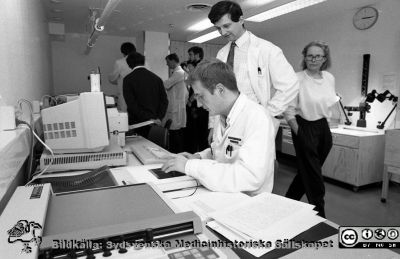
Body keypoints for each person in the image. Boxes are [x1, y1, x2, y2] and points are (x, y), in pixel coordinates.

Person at [162, 59, 275, 195]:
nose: (198, 103)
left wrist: (190, 166)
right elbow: (221, 152)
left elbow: (249, 177)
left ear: (220, 90)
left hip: (248, 201)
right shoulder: (221, 114)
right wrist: (199, 157)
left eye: (201, 96)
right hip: (223, 193)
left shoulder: (256, 116)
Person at [207, 1, 299, 142]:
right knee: (225, 162)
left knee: (253, 162)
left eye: (226, 26)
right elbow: (216, 91)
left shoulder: (266, 49)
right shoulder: (221, 54)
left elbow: (290, 85)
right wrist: (213, 125)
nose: (223, 32)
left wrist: (267, 114)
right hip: (225, 124)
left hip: (253, 124)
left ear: (241, 20)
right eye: (218, 28)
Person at [284, 41, 339, 217]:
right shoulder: (297, 78)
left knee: (307, 172)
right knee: (314, 177)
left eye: (318, 56)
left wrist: (330, 124)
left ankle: (286, 203)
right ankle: (320, 217)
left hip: (323, 128)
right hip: (303, 126)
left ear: (324, 59)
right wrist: (299, 133)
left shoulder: (329, 78)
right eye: (310, 55)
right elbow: (288, 109)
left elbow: (330, 103)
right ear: (305, 57)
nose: (313, 59)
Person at [123, 52, 168, 137]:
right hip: (155, 123)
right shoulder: (157, 78)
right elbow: (164, 101)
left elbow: (132, 104)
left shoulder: (128, 79)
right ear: (143, 62)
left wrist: (147, 118)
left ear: (129, 65)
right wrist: (158, 117)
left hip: (137, 124)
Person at [185, 51, 209, 153]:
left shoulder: (200, 75)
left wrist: (190, 100)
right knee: (194, 133)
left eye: (191, 54)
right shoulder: (194, 76)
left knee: (199, 133)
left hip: (199, 108)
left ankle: (199, 155)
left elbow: (199, 90)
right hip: (196, 108)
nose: (188, 70)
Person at [164, 53, 188, 153]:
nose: (167, 64)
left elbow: (166, 84)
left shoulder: (179, 73)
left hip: (176, 107)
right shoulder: (178, 73)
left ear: (173, 61)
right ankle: (175, 151)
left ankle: (176, 152)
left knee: (175, 132)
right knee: (175, 131)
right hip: (177, 106)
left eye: (168, 62)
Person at [108, 42, 136, 111]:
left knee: (125, 116)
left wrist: (109, 76)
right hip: (139, 94)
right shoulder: (143, 61)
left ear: (123, 51)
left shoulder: (120, 62)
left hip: (124, 94)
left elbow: (113, 78)